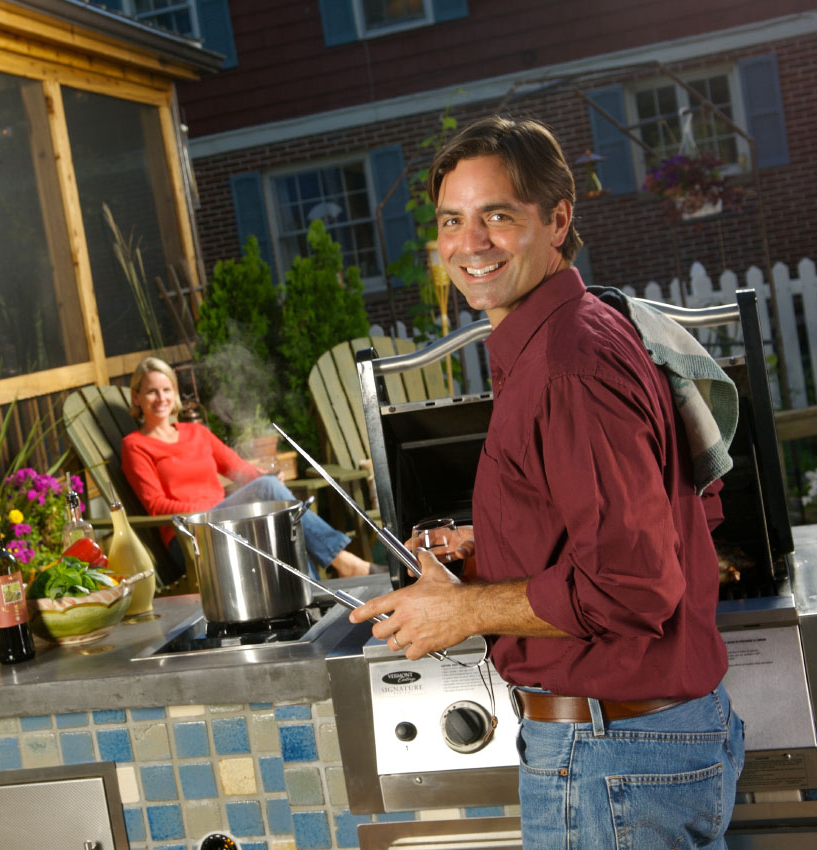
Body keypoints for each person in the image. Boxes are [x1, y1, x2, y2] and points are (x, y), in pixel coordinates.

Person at [349, 117, 744, 847]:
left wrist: (466, 610)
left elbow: (630, 584)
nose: (470, 244)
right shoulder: (587, 328)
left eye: (497, 216)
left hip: (612, 758)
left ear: (558, 219)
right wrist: (492, 543)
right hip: (637, 749)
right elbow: (649, 510)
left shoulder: (567, 366)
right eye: (452, 221)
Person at [121, 357, 371, 584]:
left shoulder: (196, 432)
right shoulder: (135, 446)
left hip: (224, 518)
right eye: (151, 392)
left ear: (174, 393)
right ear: (136, 397)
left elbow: (235, 467)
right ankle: (344, 562)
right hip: (191, 534)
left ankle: (315, 591)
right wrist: (208, 508)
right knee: (269, 491)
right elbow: (155, 506)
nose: (161, 398)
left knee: (277, 515)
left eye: (166, 390)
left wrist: (262, 479)